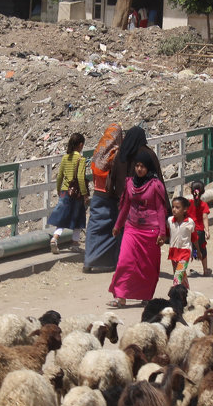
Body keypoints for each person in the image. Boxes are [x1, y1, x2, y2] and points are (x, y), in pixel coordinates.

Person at [107, 149, 168, 308]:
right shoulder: (129, 183)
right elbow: (126, 205)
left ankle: (146, 296)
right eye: (137, 166)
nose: (139, 169)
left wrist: (162, 233)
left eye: (143, 166)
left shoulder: (156, 185)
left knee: (146, 266)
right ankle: (120, 296)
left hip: (151, 231)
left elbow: (161, 209)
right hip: (131, 228)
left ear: (148, 167)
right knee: (124, 261)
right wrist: (117, 225)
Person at [84, 122, 123, 273]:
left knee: (94, 227)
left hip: (97, 195)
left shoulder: (98, 152)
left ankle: (88, 260)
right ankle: (112, 261)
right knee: (115, 229)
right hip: (111, 196)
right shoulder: (116, 154)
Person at [48, 132, 88, 253]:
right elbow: (80, 178)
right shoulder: (81, 159)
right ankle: (75, 243)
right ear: (80, 145)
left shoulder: (65, 158)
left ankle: (55, 238)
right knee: (79, 216)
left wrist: (59, 189)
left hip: (65, 191)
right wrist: (85, 194)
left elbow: (60, 176)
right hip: (76, 193)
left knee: (63, 216)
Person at [167, 195, 194, 288]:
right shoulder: (170, 221)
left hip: (185, 252)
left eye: (177, 207)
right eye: (173, 207)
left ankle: (175, 296)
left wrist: (197, 252)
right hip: (174, 252)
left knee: (177, 277)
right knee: (181, 275)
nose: (174, 209)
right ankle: (187, 292)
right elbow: (167, 233)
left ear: (185, 209)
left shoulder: (189, 222)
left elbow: (194, 238)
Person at [187, 180, 211, 277]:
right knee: (202, 250)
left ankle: (181, 271)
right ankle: (205, 270)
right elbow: (205, 218)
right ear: (203, 192)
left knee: (187, 250)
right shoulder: (204, 205)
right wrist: (207, 231)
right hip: (199, 232)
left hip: (188, 230)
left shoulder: (188, 203)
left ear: (191, 191)